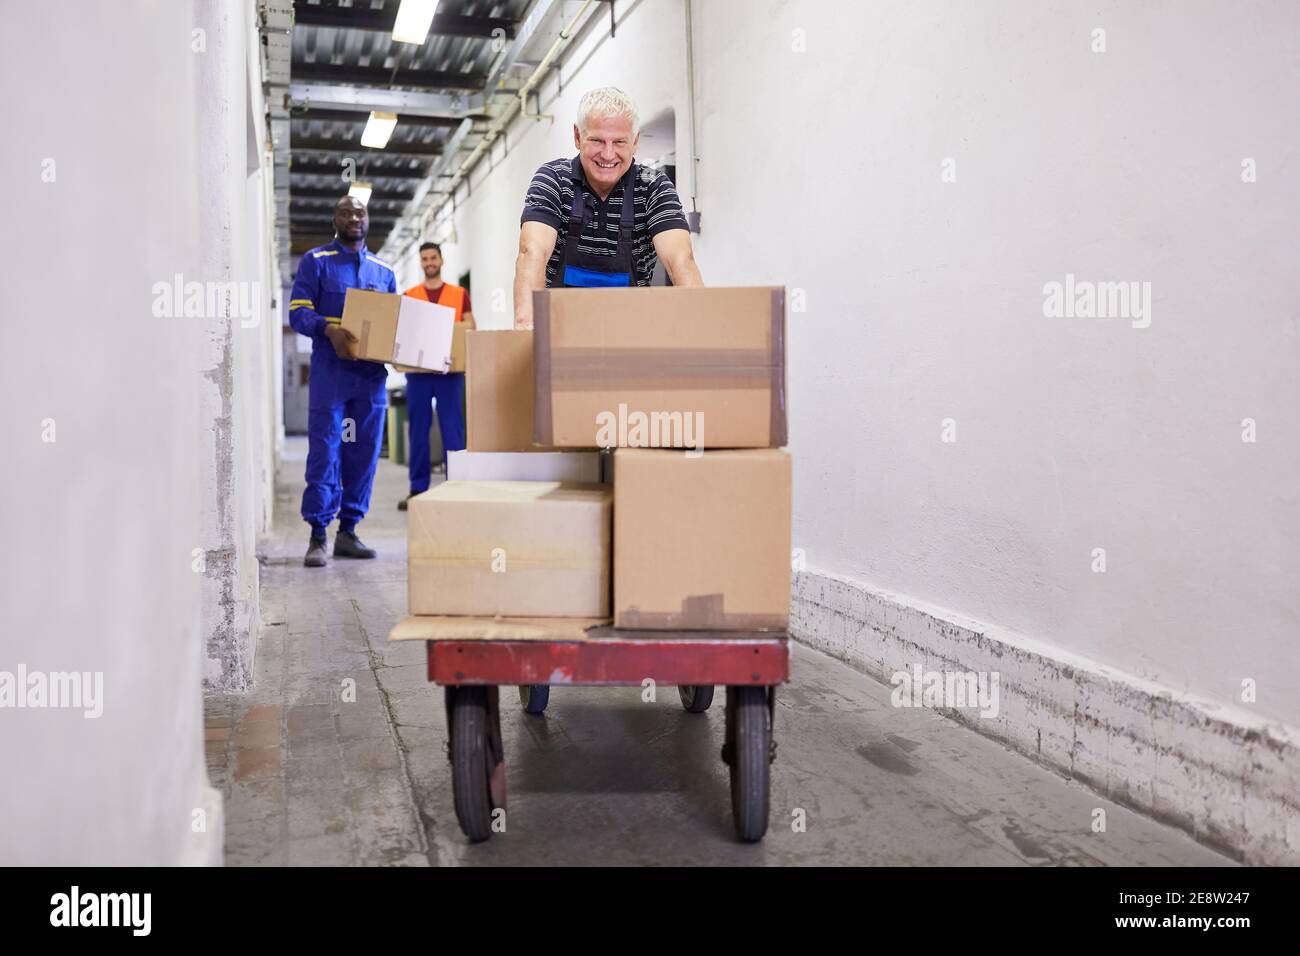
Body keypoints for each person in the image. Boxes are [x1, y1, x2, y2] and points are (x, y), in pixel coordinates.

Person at [513, 86, 703, 323]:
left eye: (619, 142)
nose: (608, 154)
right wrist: (527, 329)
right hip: (558, 334)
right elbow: (532, 253)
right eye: (597, 140)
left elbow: (680, 260)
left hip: (630, 336)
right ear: (577, 136)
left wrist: (700, 331)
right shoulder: (553, 179)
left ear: (635, 141)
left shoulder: (653, 186)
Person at [287, 196, 396, 567]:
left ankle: (348, 531)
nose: (354, 217)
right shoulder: (316, 262)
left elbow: (395, 324)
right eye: (346, 212)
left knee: (362, 455)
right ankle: (318, 534)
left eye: (360, 212)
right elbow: (299, 312)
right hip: (330, 377)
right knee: (326, 450)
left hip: (370, 380)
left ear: (368, 220)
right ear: (335, 219)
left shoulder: (384, 271)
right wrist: (328, 329)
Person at [399, 242, 474, 510]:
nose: (429, 262)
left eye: (433, 258)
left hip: (449, 372)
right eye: (425, 259)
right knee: (418, 430)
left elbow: (469, 327)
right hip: (418, 374)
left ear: (441, 261)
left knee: (452, 429)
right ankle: (417, 489)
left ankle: (454, 486)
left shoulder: (459, 293)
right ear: (420, 263)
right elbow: (404, 332)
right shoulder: (410, 294)